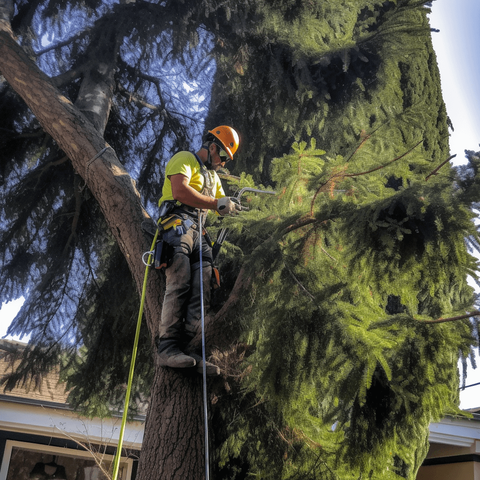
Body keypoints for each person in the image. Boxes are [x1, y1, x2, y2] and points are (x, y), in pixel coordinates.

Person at [156, 126, 243, 375]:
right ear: (212, 146)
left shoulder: (214, 179)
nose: (223, 163)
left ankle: (191, 351)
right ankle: (168, 347)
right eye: (223, 157)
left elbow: (223, 206)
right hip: (177, 223)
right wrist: (217, 203)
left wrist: (235, 208)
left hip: (200, 231)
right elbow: (180, 191)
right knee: (180, 277)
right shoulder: (185, 159)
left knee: (202, 286)